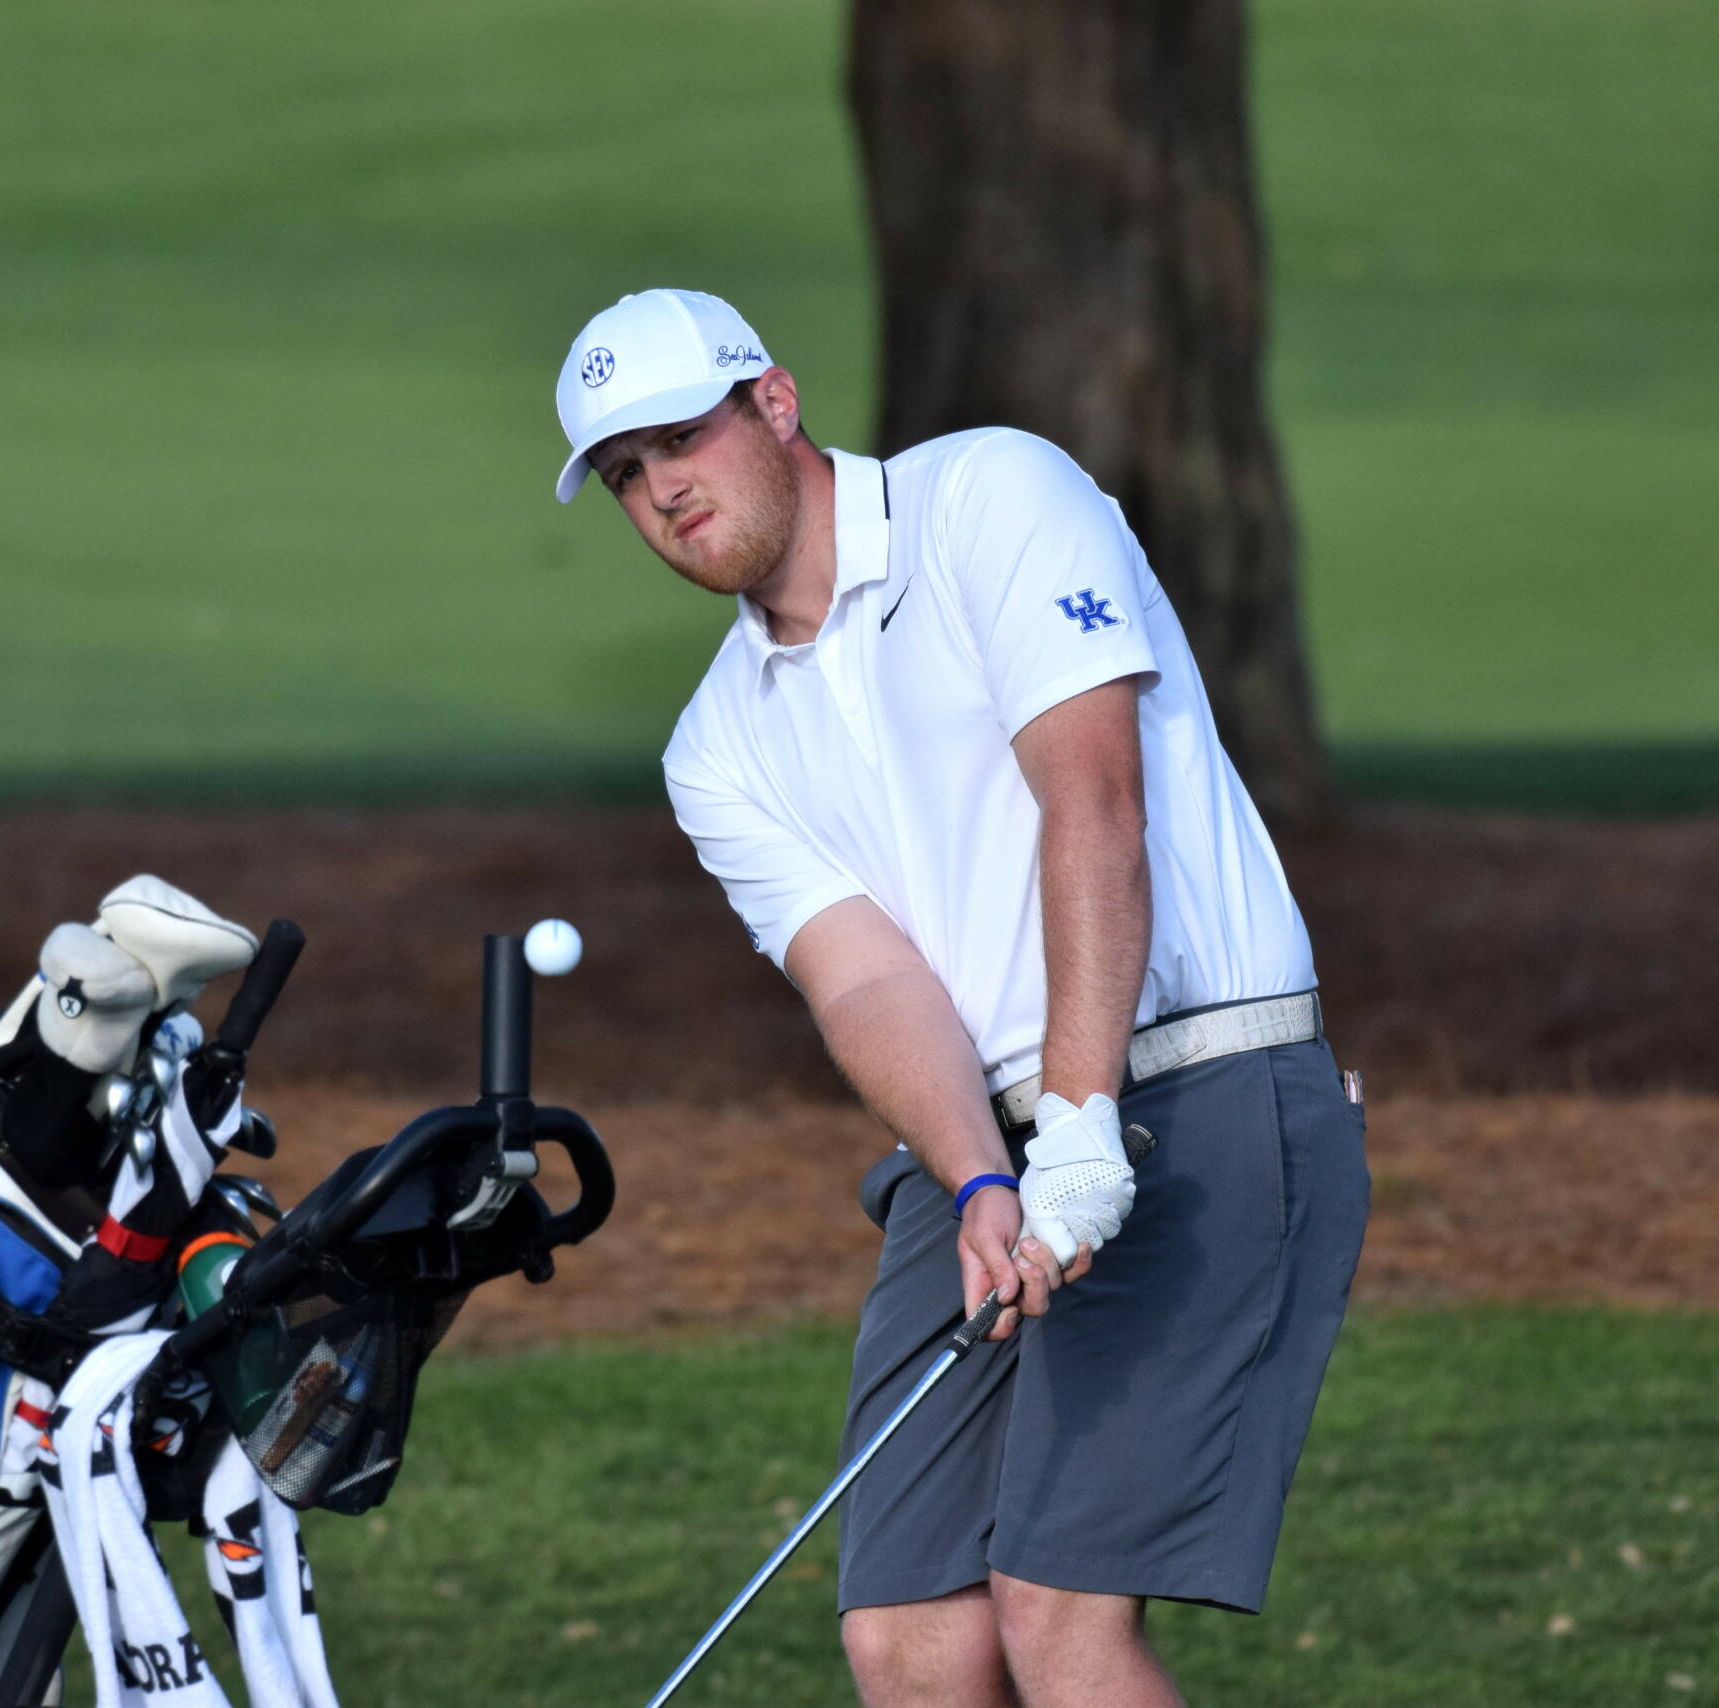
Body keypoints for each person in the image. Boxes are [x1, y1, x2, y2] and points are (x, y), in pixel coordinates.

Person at [550, 289, 1369, 1708]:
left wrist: (1086, 1121)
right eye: (624, 473)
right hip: (993, 1146)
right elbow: (866, 977)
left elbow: (1094, 803)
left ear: (777, 404)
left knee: (1057, 1619)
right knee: (911, 1639)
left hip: (1207, 1087)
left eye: (681, 437)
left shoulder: (991, 492)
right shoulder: (717, 746)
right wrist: (983, 1175)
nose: (661, 488)